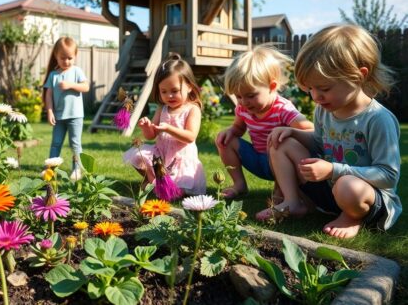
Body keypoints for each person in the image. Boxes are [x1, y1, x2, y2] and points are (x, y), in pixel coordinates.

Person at [262, 24, 401, 239]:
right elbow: (319, 143)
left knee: (347, 185)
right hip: (331, 188)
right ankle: (293, 201)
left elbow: (388, 175)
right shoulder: (324, 110)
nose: (315, 96)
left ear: (359, 76)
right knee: (282, 143)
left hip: (365, 197)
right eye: (310, 88)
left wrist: (333, 170)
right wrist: (293, 133)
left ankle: (352, 217)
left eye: (324, 88)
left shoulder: (377, 119)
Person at [215, 45, 313, 200]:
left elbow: (310, 130)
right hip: (259, 160)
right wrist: (230, 131)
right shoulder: (243, 108)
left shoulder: (283, 109)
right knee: (224, 141)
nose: (244, 102)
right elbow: (238, 128)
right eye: (238, 96)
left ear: (271, 86)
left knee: (281, 143)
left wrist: (291, 132)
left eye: (251, 95)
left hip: (282, 162)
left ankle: (282, 190)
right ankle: (239, 184)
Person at [123, 53, 206, 195]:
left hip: (180, 158)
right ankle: (152, 180)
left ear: (190, 87)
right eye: (164, 91)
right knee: (137, 155)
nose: (169, 96)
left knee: (178, 191)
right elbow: (151, 135)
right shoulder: (162, 109)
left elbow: (190, 136)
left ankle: (163, 184)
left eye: (175, 91)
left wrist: (169, 128)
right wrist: (146, 127)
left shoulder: (192, 109)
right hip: (161, 155)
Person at [43, 37, 89, 180]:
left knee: (75, 143)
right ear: (56, 55)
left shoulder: (77, 71)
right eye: (63, 58)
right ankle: (51, 170)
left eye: (70, 58)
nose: (66, 61)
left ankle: (77, 169)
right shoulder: (53, 75)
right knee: (55, 143)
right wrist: (50, 111)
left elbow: (85, 87)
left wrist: (70, 85)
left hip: (75, 116)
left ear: (75, 56)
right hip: (59, 116)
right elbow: (48, 95)